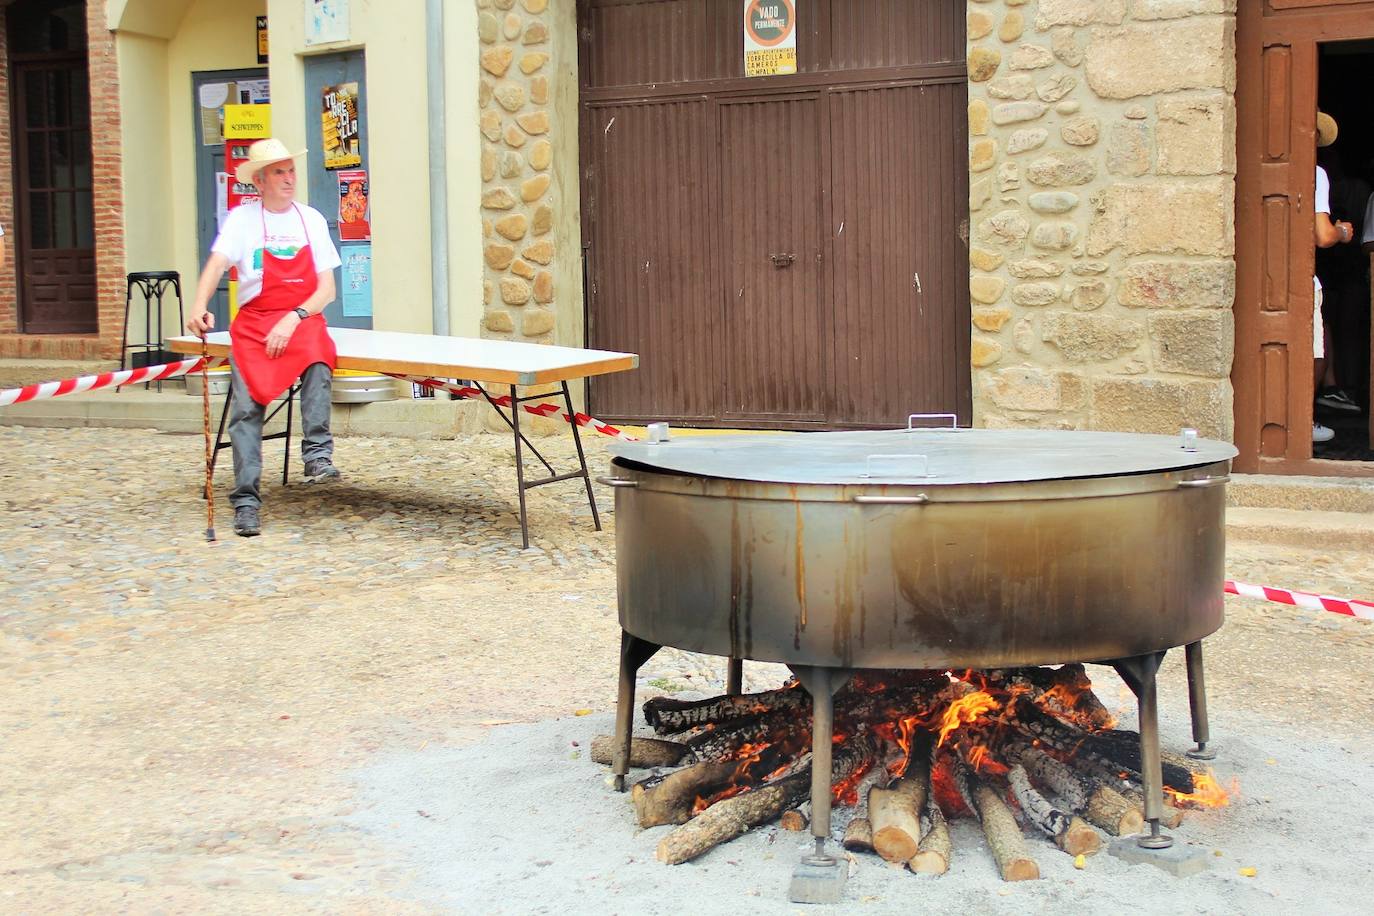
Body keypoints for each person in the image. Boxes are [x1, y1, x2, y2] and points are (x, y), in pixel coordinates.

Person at [185, 138, 343, 537]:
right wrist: (199, 305)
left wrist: (294, 317)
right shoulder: (242, 220)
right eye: (279, 172)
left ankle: (317, 454)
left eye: (291, 170)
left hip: (302, 317)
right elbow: (216, 265)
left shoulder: (311, 219)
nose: (289, 179)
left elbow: (326, 290)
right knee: (245, 409)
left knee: (319, 359)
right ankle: (246, 501)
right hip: (255, 323)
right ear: (259, 181)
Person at [1312, 112, 1357, 444]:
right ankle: (1303, 421)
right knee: (1317, 351)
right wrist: (1341, 232)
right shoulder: (1315, 173)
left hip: (1267, 279)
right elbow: (1323, 235)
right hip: (1300, 280)